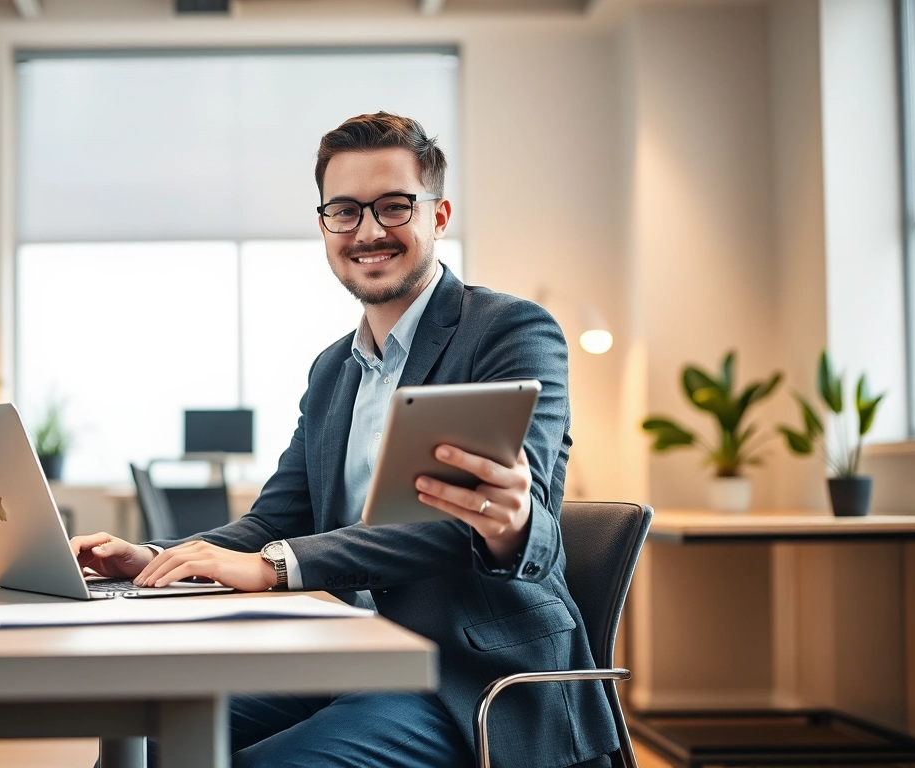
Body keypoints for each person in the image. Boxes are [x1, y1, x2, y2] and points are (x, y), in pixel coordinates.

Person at [71, 112, 617, 768]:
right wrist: (155, 559)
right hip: (341, 655)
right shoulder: (334, 370)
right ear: (325, 224)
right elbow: (277, 518)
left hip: (461, 677)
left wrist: (277, 565)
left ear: (438, 217)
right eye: (345, 211)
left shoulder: (506, 332)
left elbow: (473, 519)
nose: (368, 231)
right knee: (149, 738)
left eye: (393, 207)